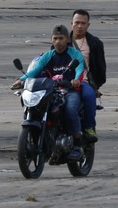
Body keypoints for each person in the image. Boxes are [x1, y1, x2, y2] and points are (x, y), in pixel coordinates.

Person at [12, 24, 86, 161]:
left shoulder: (74, 55)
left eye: (61, 38)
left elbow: (79, 68)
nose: (58, 42)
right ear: (52, 40)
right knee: (36, 108)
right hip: (51, 90)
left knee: (70, 109)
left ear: (67, 40)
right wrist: (21, 80)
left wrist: (76, 80)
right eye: (55, 38)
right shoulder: (48, 56)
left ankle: (77, 144)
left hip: (69, 91)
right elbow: (33, 72)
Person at [70, 9, 107, 141]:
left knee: (88, 96)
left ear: (88, 25)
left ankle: (89, 128)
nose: (79, 26)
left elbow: (101, 68)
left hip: (85, 82)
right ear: (71, 24)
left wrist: (95, 86)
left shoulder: (95, 43)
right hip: (63, 82)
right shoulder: (61, 40)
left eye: (83, 23)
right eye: (77, 23)